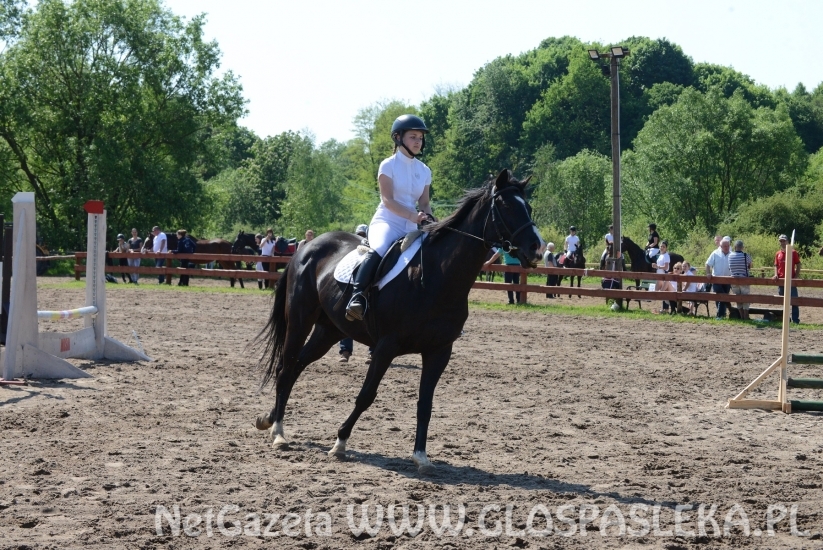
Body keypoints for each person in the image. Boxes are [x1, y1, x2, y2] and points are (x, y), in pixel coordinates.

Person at [345, 114, 433, 321]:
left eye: (420, 137)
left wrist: (428, 217)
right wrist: (413, 215)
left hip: (413, 224)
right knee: (381, 247)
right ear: (398, 138)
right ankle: (357, 296)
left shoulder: (424, 170)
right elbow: (388, 200)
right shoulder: (388, 165)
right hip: (387, 220)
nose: (418, 141)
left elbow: (425, 203)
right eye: (413, 136)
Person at [340, 224, 371, 362]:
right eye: (359, 234)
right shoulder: (351, 254)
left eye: (363, 235)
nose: (360, 237)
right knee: (348, 316)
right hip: (350, 286)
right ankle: (345, 350)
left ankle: (373, 352)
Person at [773, 234, 801, 324]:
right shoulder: (778, 253)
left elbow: (798, 264)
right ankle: (785, 319)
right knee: (783, 301)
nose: (782, 242)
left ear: (787, 241)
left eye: (784, 241)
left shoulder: (793, 252)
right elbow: (776, 265)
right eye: (781, 241)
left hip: (791, 280)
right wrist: (775, 274)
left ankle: (795, 320)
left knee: (794, 301)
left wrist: (796, 277)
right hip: (781, 280)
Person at [706, 237, 731, 320]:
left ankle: (722, 314)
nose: (727, 247)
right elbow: (707, 264)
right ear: (721, 246)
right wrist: (708, 273)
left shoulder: (732, 254)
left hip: (727, 280)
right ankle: (720, 315)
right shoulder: (715, 253)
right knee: (723, 296)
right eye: (725, 246)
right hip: (716, 279)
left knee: (721, 298)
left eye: (728, 246)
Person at [728, 239, 752, 320]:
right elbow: (750, 266)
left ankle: (741, 316)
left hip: (734, 280)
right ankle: (746, 316)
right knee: (746, 298)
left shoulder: (730, 256)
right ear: (742, 247)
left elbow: (729, 267)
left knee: (738, 298)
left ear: (735, 247)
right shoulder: (746, 255)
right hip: (744, 279)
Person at [652, 240, 673, 313]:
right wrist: (656, 266)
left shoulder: (666, 256)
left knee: (663, 292)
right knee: (657, 291)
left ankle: (665, 309)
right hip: (659, 275)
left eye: (663, 247)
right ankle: (659, 308)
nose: (662, 248)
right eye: (661, 246)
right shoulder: (660, 255)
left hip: (664, 276)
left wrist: (657, 266)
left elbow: (666, 267)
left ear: (666, 248)